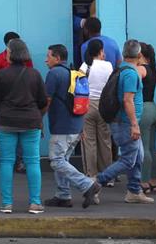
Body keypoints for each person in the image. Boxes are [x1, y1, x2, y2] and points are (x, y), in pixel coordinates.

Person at [0, 38, 49, 214]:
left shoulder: (2, 75)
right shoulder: (35, 74)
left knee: (6, 162)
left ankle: (7, 204)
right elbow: (43, 100)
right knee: (32, 162)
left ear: (11, 54)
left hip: (6, 122)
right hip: (31, 122)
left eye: (7, 52)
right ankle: (35, 203)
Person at [92, 39, 152, 204]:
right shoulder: (131, 74)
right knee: (128, 159)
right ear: (139, 55)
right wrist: (134, 125)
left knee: (137, 156)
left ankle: (134, 191)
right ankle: (96, 182)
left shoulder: (122, 69)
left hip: (124, 122)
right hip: (125, 123)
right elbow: (128, 100)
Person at [42, 44, 100, 209]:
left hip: (62, 126)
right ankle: (63, 196)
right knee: (64, 159)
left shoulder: (54, 73)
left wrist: (39, 118)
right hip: (76, 124)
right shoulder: (75, 73)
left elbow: (47, 99)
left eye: (49, 56)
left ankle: (88, 185)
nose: (46, 59)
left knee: (56, 160)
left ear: (57, 58)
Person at [0, 31, 33, 173]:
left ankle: (18, 162)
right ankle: (4, 162)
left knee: (21, 134)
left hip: (22, 102)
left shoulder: (27, 60)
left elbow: (31, 80)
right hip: (5, 104)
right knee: (2, 135)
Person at [79, 39, 114, 179]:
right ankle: (107, 175)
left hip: (87, 105)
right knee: (105, 140)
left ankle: (91, 174)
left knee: (89, 141)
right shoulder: (108, 66)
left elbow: (79, 88)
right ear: (101, 51)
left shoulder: (84, 66)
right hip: (103, 105)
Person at [138, 43, 156, 195]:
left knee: (143, 147)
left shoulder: (140, 69)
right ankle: (154, 180)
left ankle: (143, 181)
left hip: (144, 109)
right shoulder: (153, 69)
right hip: (154, 107)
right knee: (152, 147)